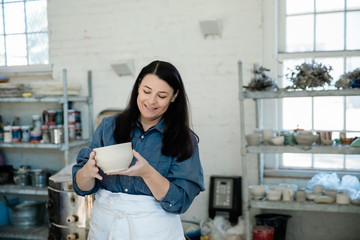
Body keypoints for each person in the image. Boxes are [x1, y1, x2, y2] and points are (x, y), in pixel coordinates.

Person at [72, 60, 205, 240]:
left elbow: (180, 202)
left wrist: (148, 173)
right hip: (105, 228)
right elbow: (82, 187)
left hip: (156, 232)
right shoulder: (108, 126)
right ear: (138, 88)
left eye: (162, 95)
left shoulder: (184, 139)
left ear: (174, 96)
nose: (151, 101)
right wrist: (87, 172)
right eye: (146, 91)